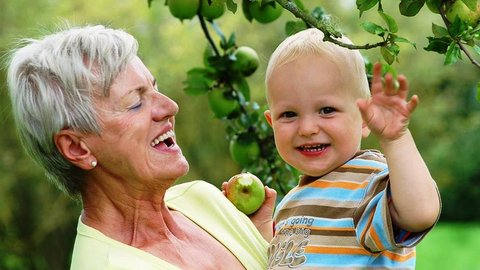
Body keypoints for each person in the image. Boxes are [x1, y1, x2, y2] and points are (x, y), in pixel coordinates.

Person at [6, 24, 276, 270]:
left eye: (155, 88)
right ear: (77, 148)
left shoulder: (204, 200)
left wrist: (268, 244)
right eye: (136, 102)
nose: (170, 107)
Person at [263, 28, 441, 269]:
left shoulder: (366, 182)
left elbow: (419, 213)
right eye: (289, 114)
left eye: (326, 110)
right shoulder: (291, 203)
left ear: (364, 118)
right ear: (272, 123)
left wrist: (396, 140)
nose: (307, 128)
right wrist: (261, 224)